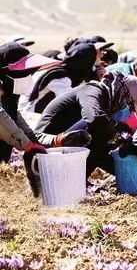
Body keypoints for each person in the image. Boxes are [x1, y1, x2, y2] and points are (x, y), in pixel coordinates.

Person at [0, 43, 91, 196]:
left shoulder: (9, 98)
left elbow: (25, 131)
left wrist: (57, 140)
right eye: (25, 73)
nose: (29, 78)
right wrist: (28, 145)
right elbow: (2, 120)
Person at [35, 71, 137, 176]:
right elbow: (94, 119)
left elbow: (102, 151)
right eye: (130, 106)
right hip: (44, 150)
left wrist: (132, 152)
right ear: (123, 94)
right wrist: (120, 142)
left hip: (59, 150)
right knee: (99, 128)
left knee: (112, 129)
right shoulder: (92, 91)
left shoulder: (104, 101)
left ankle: (78, 179)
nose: (128, 111)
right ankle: (73, 177)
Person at [19, 43, 97, 113]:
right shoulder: (61, 77)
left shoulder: (57, 70)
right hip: (28, 115)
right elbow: (71, 102)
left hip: (26, 112)